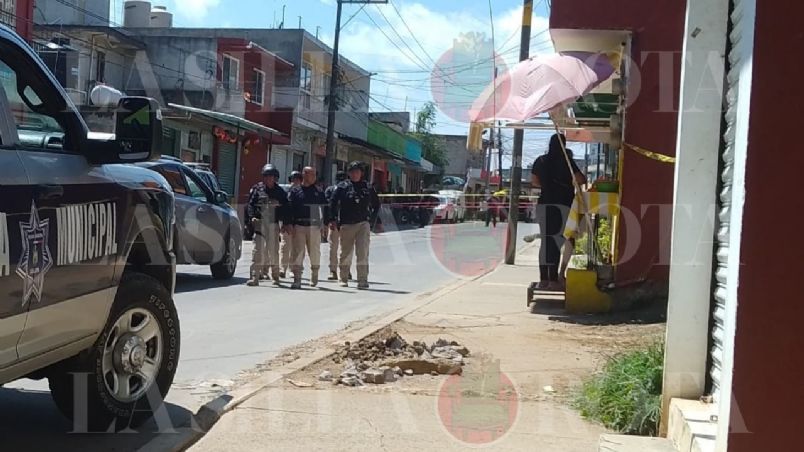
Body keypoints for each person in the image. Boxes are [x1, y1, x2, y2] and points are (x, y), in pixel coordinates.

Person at [531, 133, 587, 291]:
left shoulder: (540, 161)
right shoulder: (567, 161)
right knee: (557, 241)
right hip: (563, 205)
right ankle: (554, 279)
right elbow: (581, 179)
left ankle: (543, 279)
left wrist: (547, 185)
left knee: (546, 241)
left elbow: (534, 182)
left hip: (544, 204)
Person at [329, 161, 380, 289]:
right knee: (345, 252)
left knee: (362, 252)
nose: (355, 174)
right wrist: (333, 219)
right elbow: (333, 203)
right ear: (349, 173)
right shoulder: (342, 187)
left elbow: (376, 204)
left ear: (361, 173)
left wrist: (372, 221)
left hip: (363, 223)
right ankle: (343, 278)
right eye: (352, 172)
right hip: (346, 224)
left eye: (357, 171)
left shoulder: (367, 187)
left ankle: (362, 280)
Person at [246, 164, 290, 287]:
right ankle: (255, 277)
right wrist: (251, 217)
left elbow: (286, 208)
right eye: (266, 176)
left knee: (273, 251)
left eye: (271, 176)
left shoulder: (280, 192)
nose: (269, 179)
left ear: (275, 178)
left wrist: (285, 224)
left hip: (273, 224)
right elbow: (250, 205)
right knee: (257, 251)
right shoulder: (257, 189)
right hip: (260, 223)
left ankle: (275, 277)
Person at [288, 167, 328, 289]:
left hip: (314, 227)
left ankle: (314, 274)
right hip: (299, 226)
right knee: (297, 253)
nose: (314, 177)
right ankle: (297, 279)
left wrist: (325, 224)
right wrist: (289, 223)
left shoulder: (319, 191)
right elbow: (289, 208)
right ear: (304, 175)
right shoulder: (295, 191)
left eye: (315, 175)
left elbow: (325, 208)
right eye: (311, 174)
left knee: (314, 252)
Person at [325, 171, 348, 281]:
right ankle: (341, 271)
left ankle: (335, 271)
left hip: (338, 222)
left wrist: (328, 221)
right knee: (345, 248)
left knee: (334, 248)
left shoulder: (330, 189)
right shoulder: (347, 189)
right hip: (341, 222)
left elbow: (327, 207)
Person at [279, 171, 302, 278]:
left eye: (297, 179)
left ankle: (293, 269)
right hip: (286, 223)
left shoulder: (302, 193)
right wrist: (284, 222)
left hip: (298, 224)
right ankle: (282, 269)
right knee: (285, 246)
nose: (295, 181)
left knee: (295, 247)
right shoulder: (285, 192)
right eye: (293, 179)